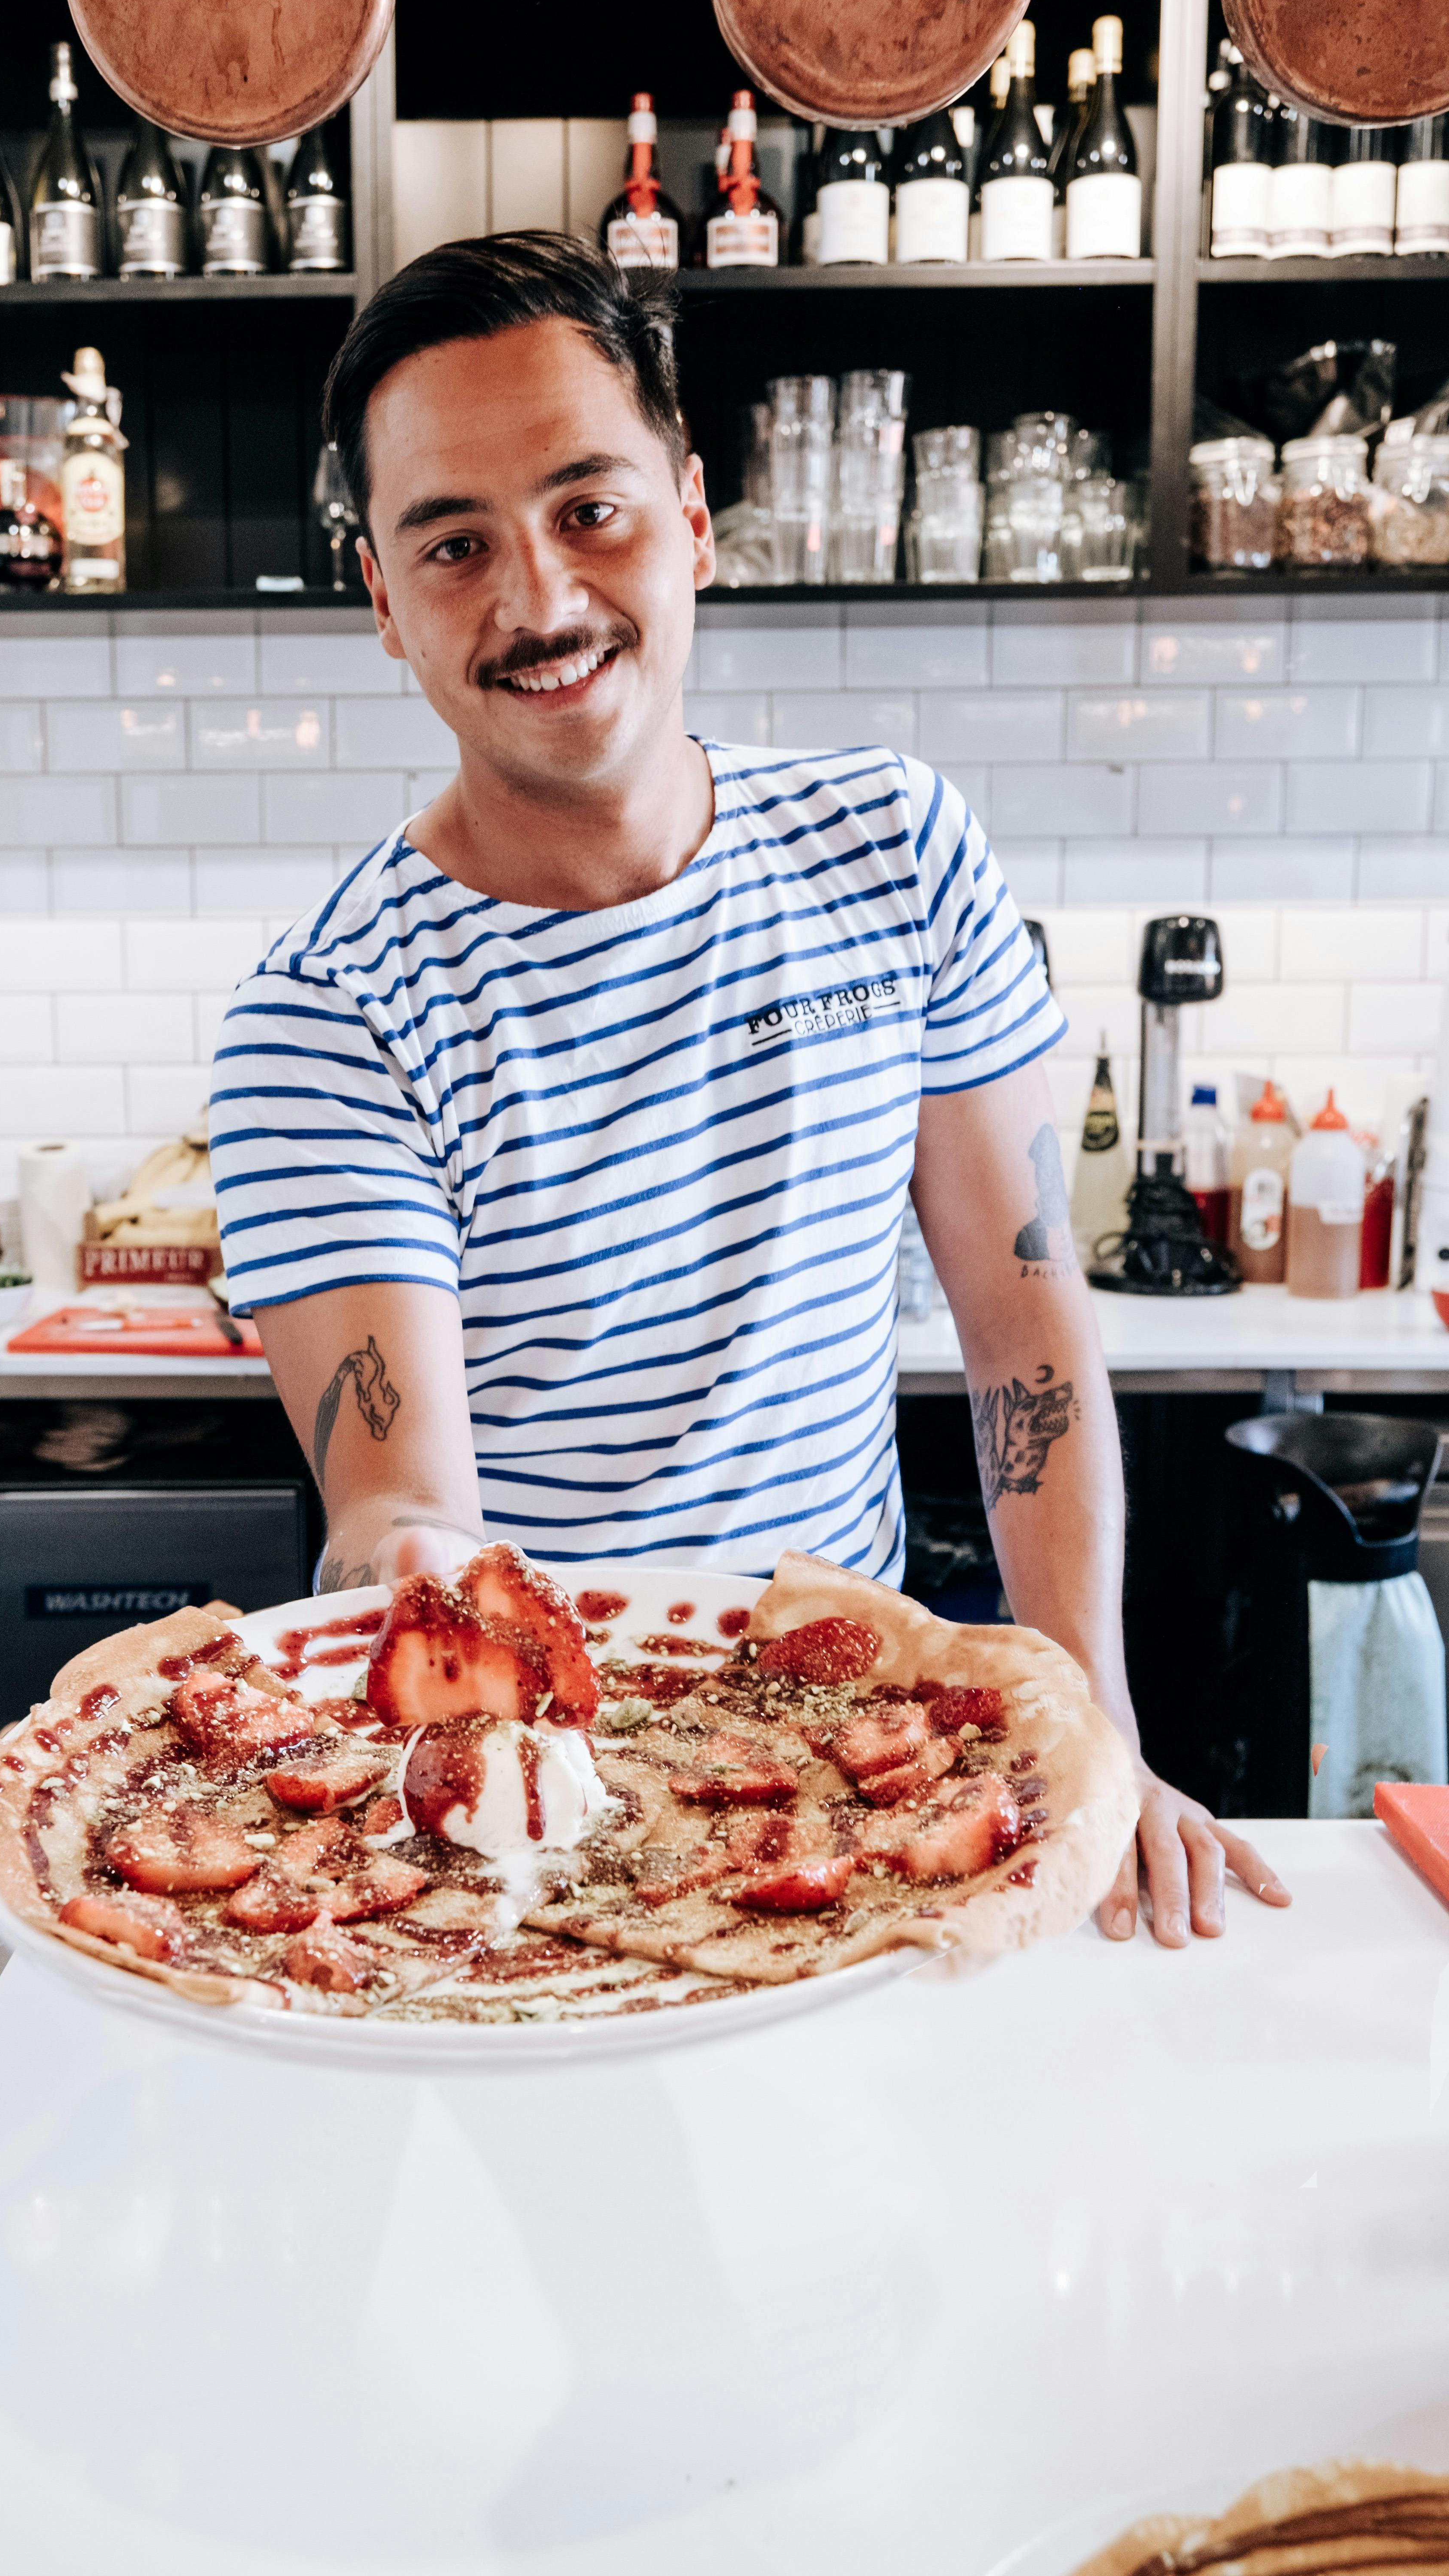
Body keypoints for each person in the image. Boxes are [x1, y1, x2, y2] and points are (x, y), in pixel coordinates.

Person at [210, 231, 1288, 1952]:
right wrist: (408, 1579)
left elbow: (1023, 1331)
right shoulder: (326, 1015)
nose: (540, 601)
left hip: (869, 1748)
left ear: (692, 517)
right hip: (532, 1807)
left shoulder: (895, 847)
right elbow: (398, 1503)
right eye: (454, 545)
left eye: (588, 509)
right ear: (383, 600)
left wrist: (1089, 1732)